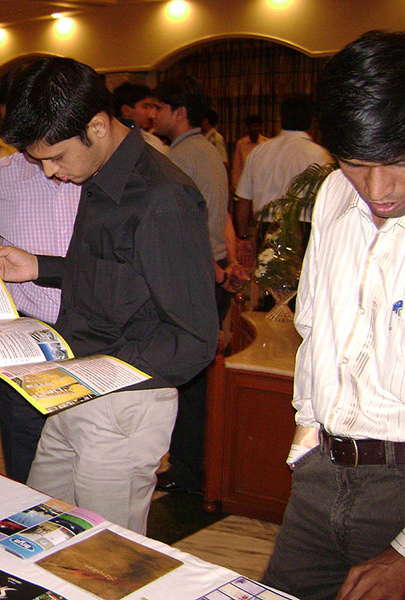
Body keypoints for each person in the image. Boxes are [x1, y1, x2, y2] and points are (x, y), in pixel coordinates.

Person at [0, 57, 218, 533]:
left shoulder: (162, 197)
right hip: (76, 381)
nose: (50, 172)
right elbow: (119, 273)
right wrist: (39, 267)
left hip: (123, 404)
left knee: (105, 553)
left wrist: (101, 375)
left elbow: (195, 338)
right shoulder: (98, 176)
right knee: (43, 530)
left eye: (56, 157)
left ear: (96, 126)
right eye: (39, 160)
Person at [261, 30, 405, 600]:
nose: (378, 189)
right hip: (324, 469)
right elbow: (315, 324)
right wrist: (307, 438)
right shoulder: (334, 195)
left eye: (397, 162)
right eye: (356, 164)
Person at [152, 75, 248, 494]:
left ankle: (188, 470)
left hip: (196, 274)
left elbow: (186, 227)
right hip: (212, 269)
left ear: (180, 113)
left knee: (187, 381)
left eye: (159, 108)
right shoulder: (209, 150)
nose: (153, 115)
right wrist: (226, 264)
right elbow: (218, 215)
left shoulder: (179, 156)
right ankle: (199, 466)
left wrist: (213, 269)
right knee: (200, 378)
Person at [0, 151, 80, 483]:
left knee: (92, 455)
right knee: (26, 451)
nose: (51, 168)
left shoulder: (103, 167)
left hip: (97, 332)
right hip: (28, 335)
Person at [234, 95, 332, 239]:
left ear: (280, 119)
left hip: (265, 231)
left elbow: (243, 200)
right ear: (312, 121)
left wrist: (243, 237)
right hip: (303, 233)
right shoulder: (320, 156)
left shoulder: (259, 151)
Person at [112, 82, 165, 152]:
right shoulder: (111, 141)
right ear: (126, 110)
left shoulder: (152, 141)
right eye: (145, 107)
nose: (152, 114)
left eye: (152, 107)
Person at [231, 114, 267, 191]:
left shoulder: (266, 143)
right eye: (252, 126)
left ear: (260, 128)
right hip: (246, 185)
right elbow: (237, 167)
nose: (255, 129)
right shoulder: (241, 144)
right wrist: (236, 187)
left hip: (263, 185)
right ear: (248, 128)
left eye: (257, 126)